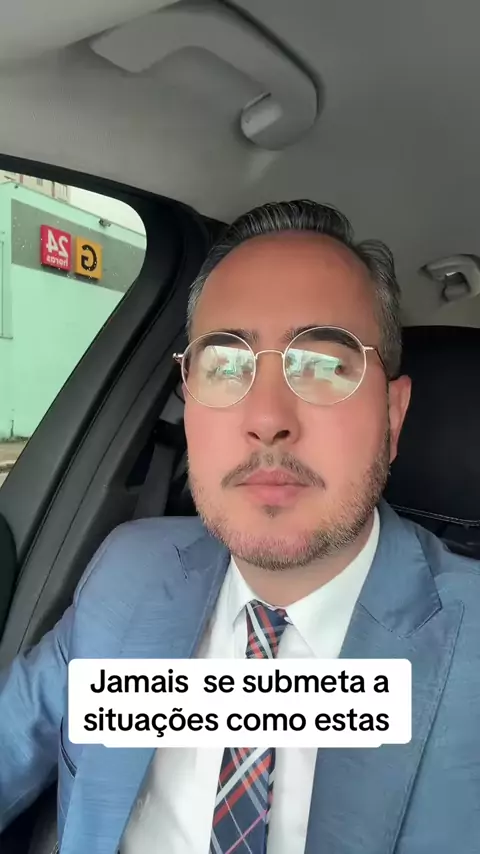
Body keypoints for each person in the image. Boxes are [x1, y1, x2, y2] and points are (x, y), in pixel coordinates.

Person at [1, 199, 479, 854]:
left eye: (323, 364)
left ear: (392, 418)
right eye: (225, 366)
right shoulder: (127, 572)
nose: (267, 418)